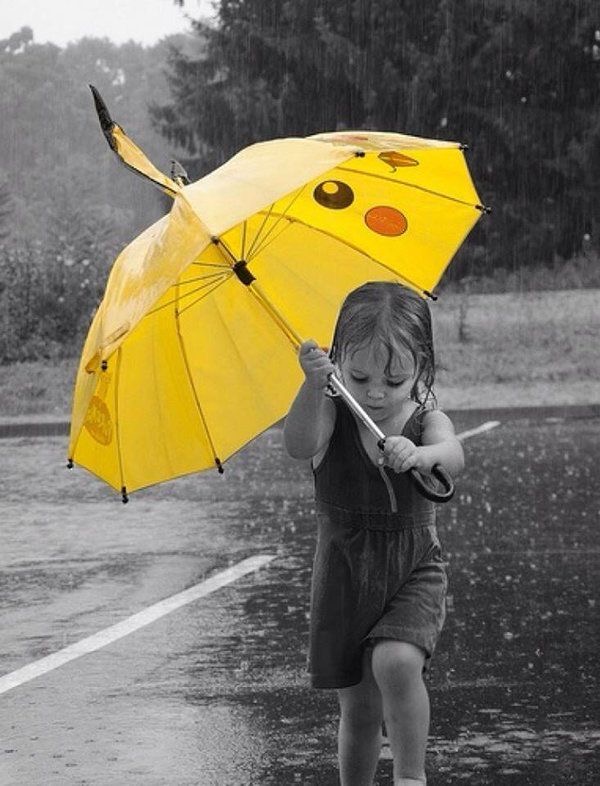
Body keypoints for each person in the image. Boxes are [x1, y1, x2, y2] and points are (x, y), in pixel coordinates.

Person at [283, 281, 464, 786]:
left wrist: (422, 455)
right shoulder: (331, 414)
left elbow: (453, 455)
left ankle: (410, 776)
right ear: (338, 361)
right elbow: (298, 445)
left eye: (395, 378)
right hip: (344, 570)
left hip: (412, 564)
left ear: (420, 368)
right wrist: (310, 386)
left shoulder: (427, 420)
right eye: (359, 377)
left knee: (397, 659)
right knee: (359, 706)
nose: (377, 392)